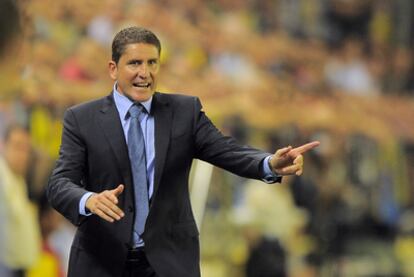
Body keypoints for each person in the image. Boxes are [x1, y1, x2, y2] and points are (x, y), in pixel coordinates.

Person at [47, 26, 320, 277]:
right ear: (113, 69)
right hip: (101, 263)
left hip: (168, 263)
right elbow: (60, 183)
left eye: (152, 62)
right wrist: (88, 200)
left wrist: (269, 163)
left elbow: (225, 149)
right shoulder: (81, 119)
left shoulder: (184, 112)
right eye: (134, 63)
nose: (145, 72)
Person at [0, 125, 41, 277]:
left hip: (18, 267)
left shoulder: (17, 179)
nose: (22, 155)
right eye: (17, 147)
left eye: (26, 149)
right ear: (3, 145)